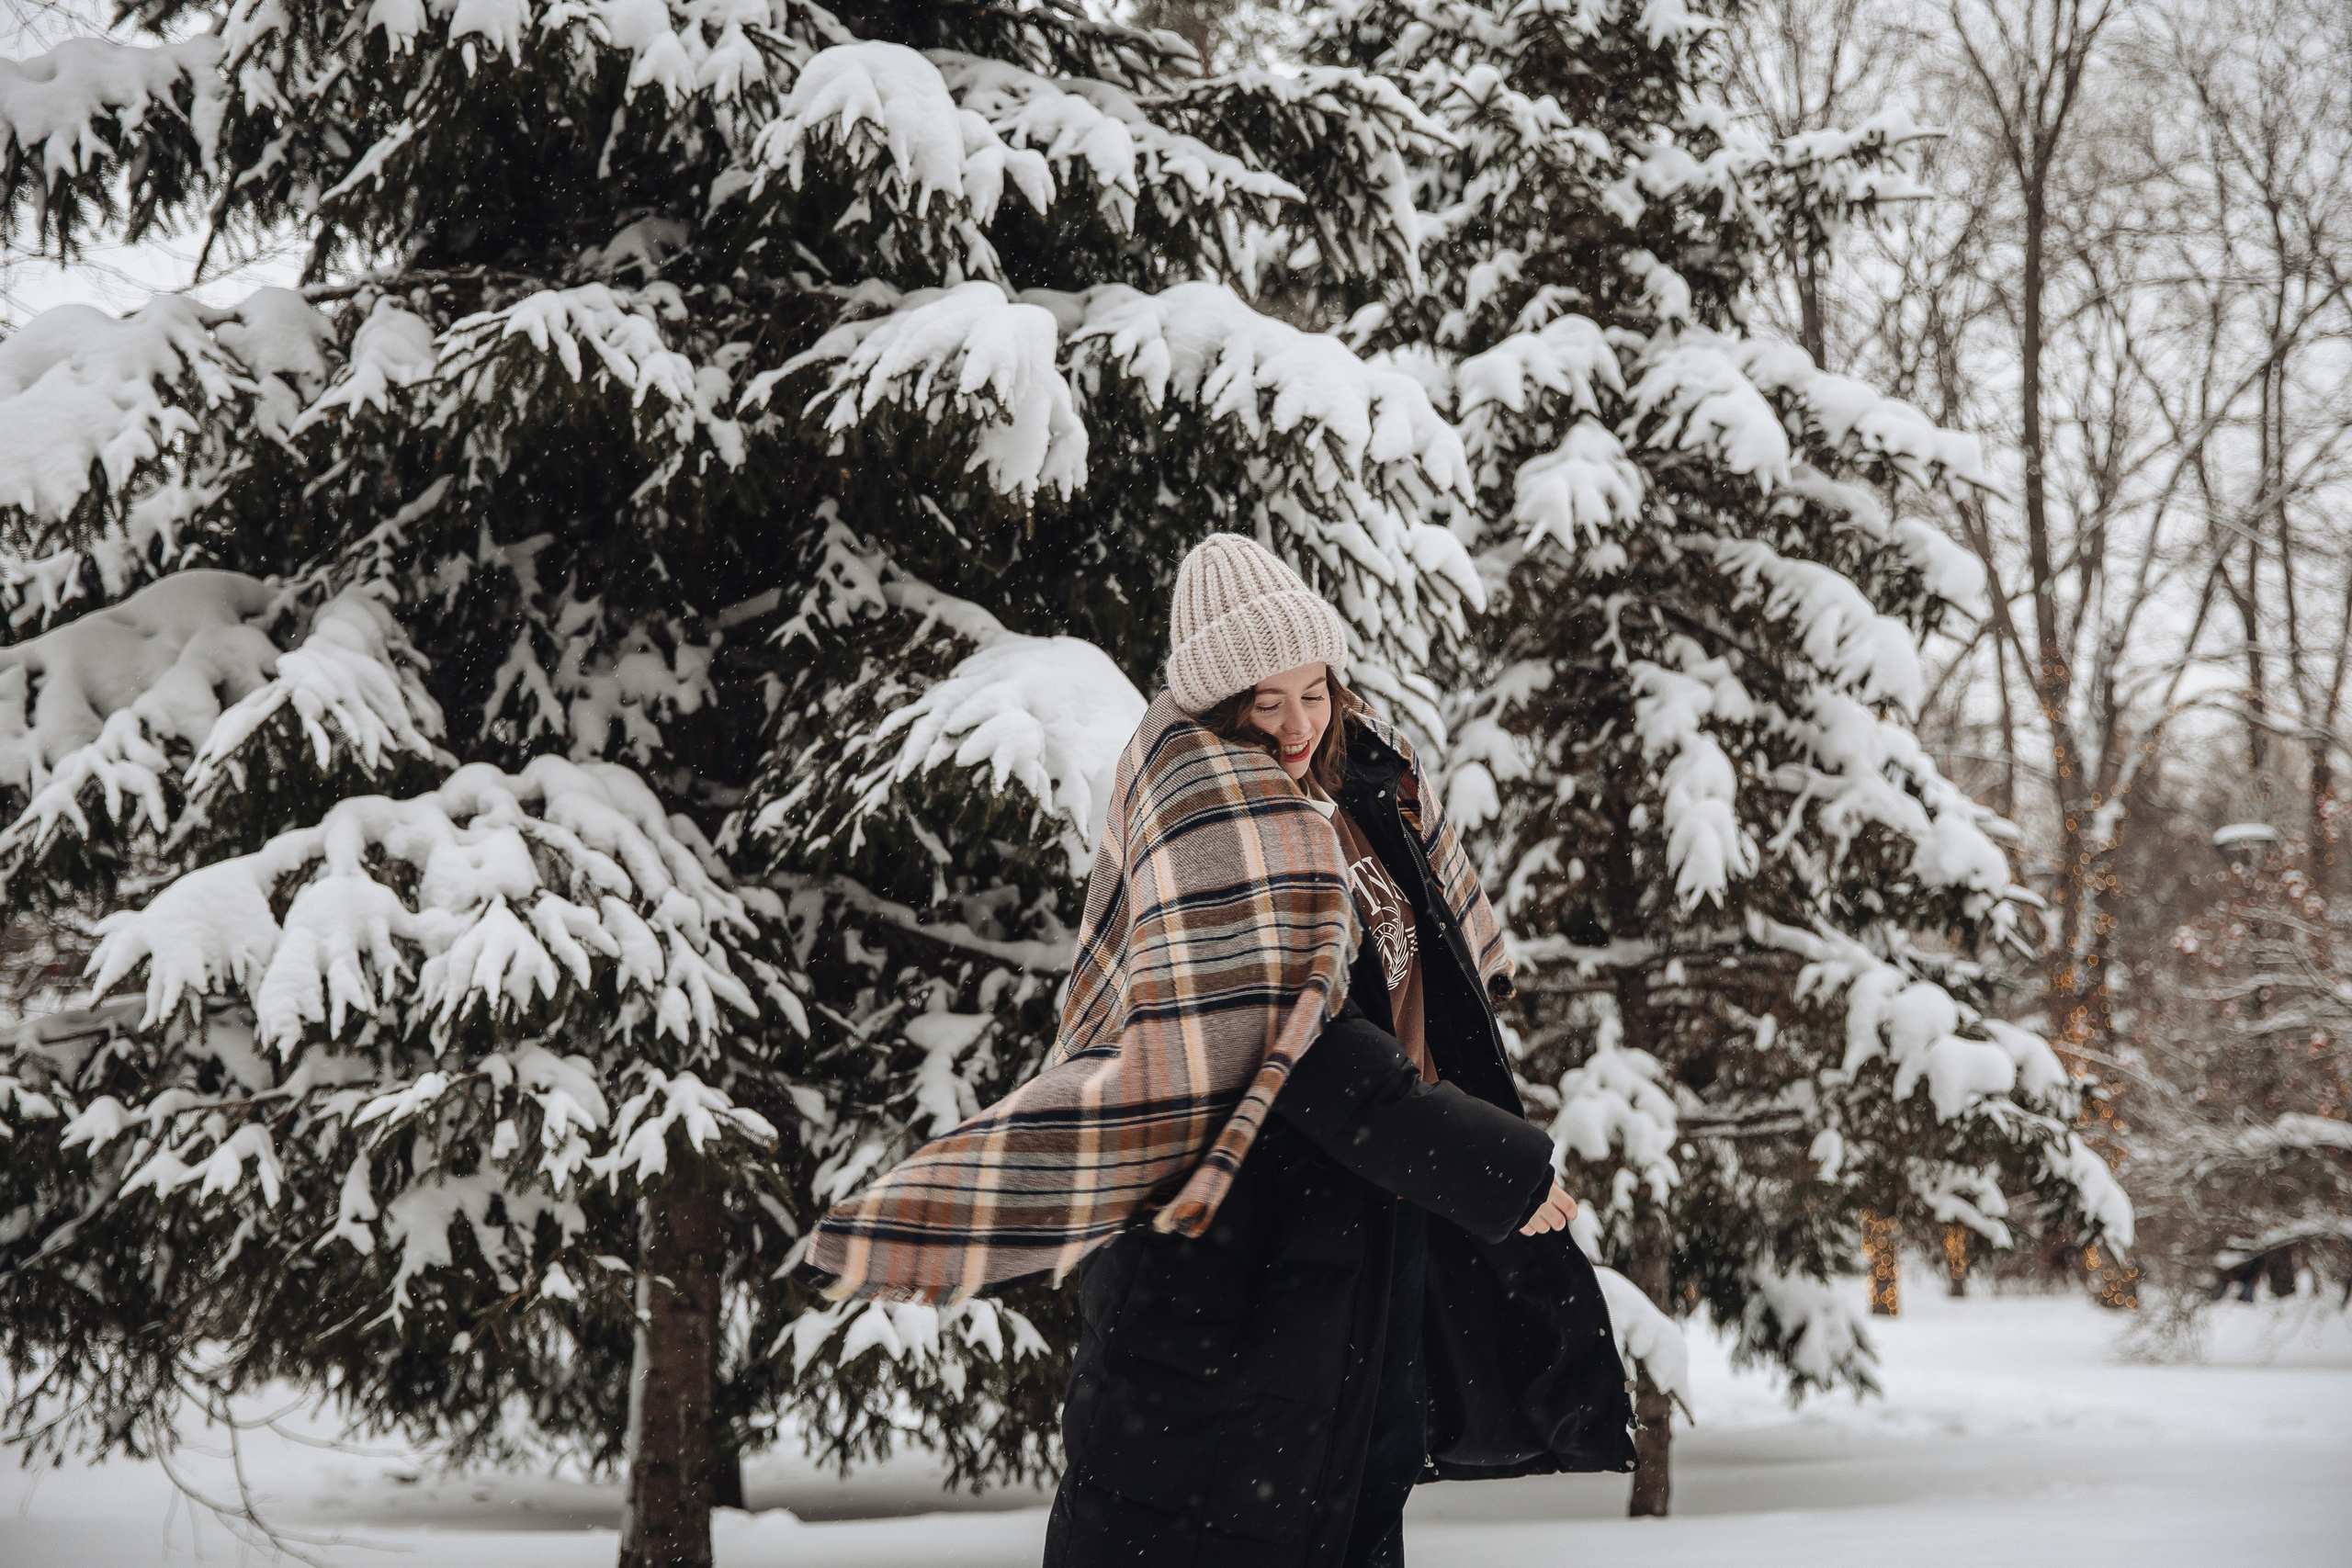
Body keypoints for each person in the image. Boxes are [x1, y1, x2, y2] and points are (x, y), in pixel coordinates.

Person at [795, 534, 1633, 1568]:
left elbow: (1431, 984)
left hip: (1361, 1245)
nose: (1297, 724)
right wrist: (1484, 1163)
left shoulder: (1366, 786)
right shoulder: (1197, 797)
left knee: (1344, 1515)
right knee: (1200, 1521)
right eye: (1263, 702)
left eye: (1313, 691)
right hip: (1229, 1264)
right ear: (1216, 702)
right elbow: (1297, 1042)